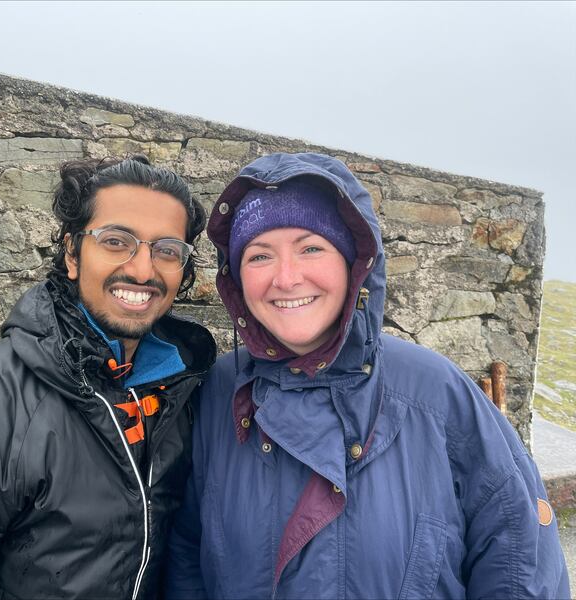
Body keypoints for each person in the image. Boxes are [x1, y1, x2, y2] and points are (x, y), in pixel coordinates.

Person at [165, 152, 570, 599]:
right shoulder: (220, 390)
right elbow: (188, 550)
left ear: (354, 263)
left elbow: (518, 560)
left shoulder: (435, 392)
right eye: (259, 256)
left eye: (311, 248)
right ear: (237, 279)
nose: (285, 277)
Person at [0, 156, 216, 599]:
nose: (143, 270)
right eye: (116, 240)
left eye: (166, 250)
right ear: (72, 253)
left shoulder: (182, 392)